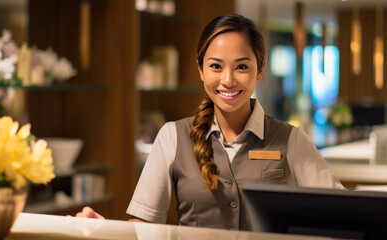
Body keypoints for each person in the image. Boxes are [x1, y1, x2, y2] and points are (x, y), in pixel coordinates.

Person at [75, 13, 345, 230]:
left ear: (260, 70)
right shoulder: (172, 136)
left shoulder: (291, 139)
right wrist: (105, 230)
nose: (228, 80)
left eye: (241, 66)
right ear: (200, 69)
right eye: (216, 66)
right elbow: (144, 229)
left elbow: (343, 213)